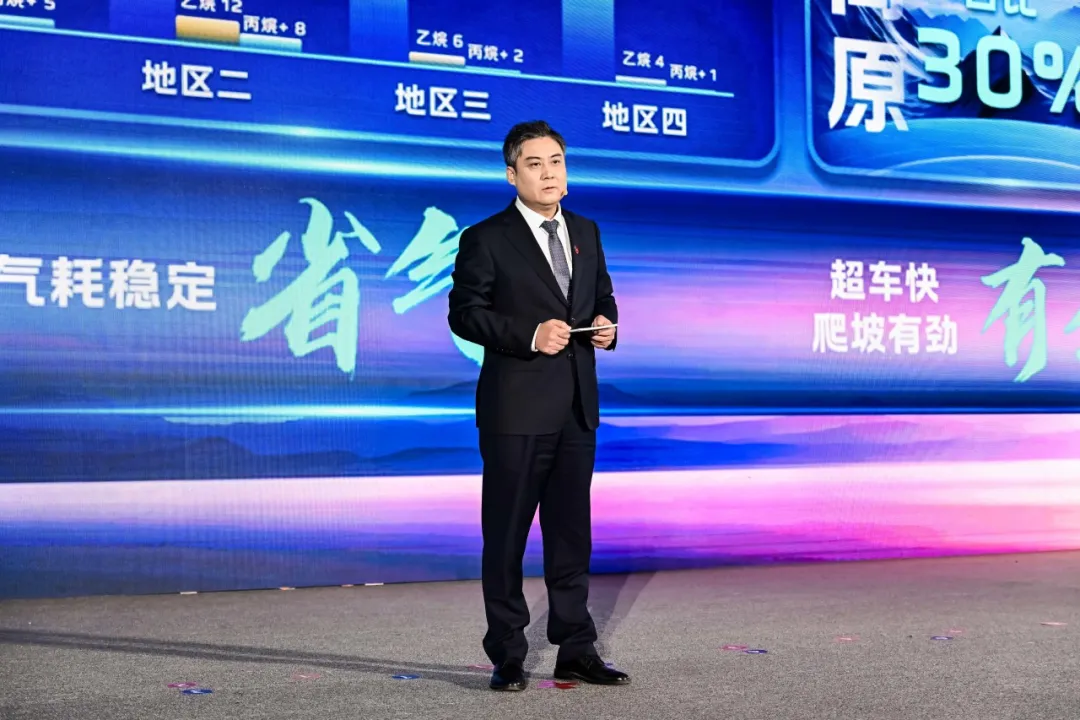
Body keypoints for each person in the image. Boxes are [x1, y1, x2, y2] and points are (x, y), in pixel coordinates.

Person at [448, 120, 629, 691]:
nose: (549, 173)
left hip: (576, 408)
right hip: (516, 412)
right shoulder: (486, 238)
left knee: (571, 536)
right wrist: (529, 334)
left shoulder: (586, 231)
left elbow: (602, 296)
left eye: (556, 161)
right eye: (534, 163)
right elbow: (465, 314)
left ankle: (576, 648)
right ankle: (507, 653)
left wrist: (606, 325)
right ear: (512, 174)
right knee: (506, 538)